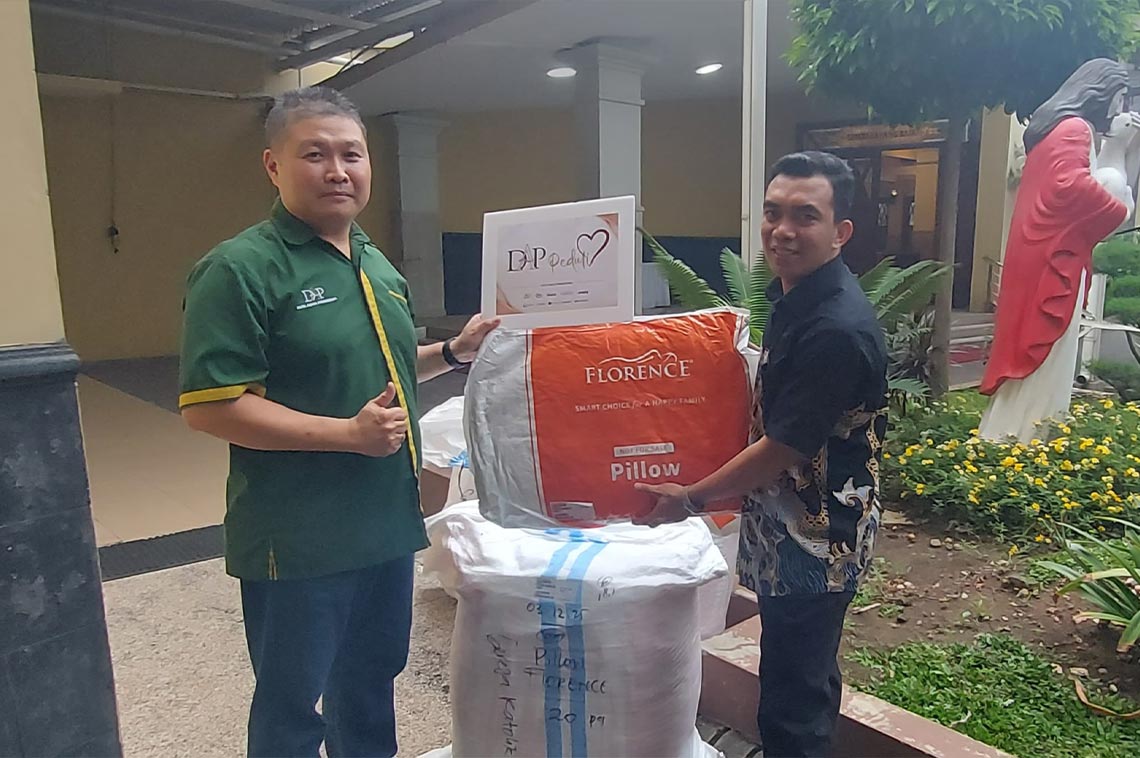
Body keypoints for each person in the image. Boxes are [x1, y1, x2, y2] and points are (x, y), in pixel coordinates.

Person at [178, 86, 497, 758]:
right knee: (293, 705)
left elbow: (384, 364)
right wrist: (346, 436)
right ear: (273, 165)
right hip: (299, 533)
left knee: (371, 684)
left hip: (384, 524)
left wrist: (453, 351)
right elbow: (210, 405)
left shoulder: (374, 263)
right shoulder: (240, 269)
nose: (337, 170)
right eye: (315, 154)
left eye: (351, 154)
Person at [636, 151, 888, 757]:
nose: (782, 230)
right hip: (789, 526)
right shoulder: (798, 300)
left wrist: (690, 498)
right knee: (800, 675)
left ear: (840, 232)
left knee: (792, 700)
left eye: (805, 216)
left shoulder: (834, 328)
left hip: (817, 539)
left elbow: (783, 447)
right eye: (773, 213)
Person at [980, 58, 1139, 442]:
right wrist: (1117, 181)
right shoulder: (1074, 129)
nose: (1120, 108)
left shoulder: (1057, 129)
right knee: (1048, 354)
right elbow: (1069, 188)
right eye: (1119, 97)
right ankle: (1024, 435)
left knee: (1046, 355)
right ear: (1100, 93)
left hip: (1045, 253)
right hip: (1054, 260)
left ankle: (1020, 433)